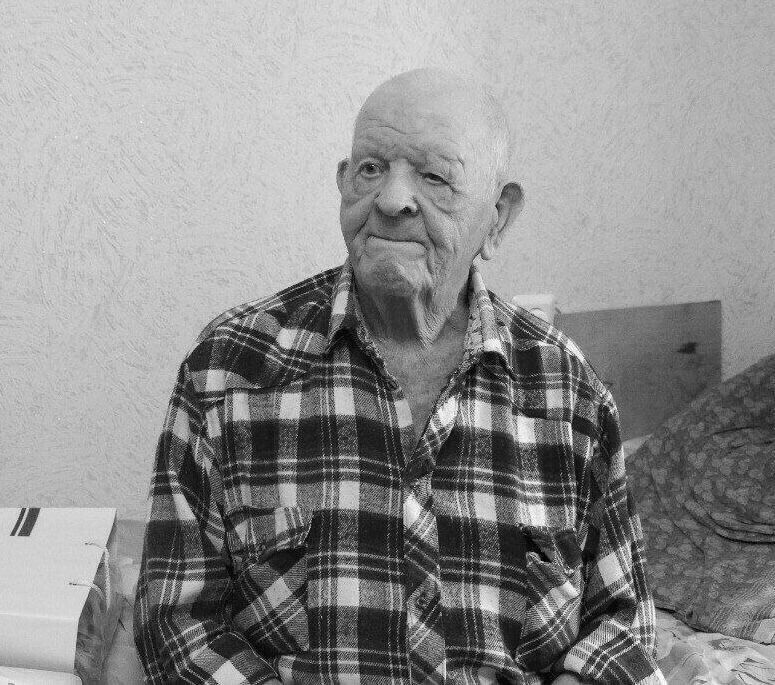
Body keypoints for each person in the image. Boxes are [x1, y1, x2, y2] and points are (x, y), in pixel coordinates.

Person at [135, 68, 665, 685]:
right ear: (343, 185)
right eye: (371, 169)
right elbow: (176, 624)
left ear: (498, 217)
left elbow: (624, 625)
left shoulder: (567, 391)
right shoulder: (230, 370)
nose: (391, 200)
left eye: (434, 177)